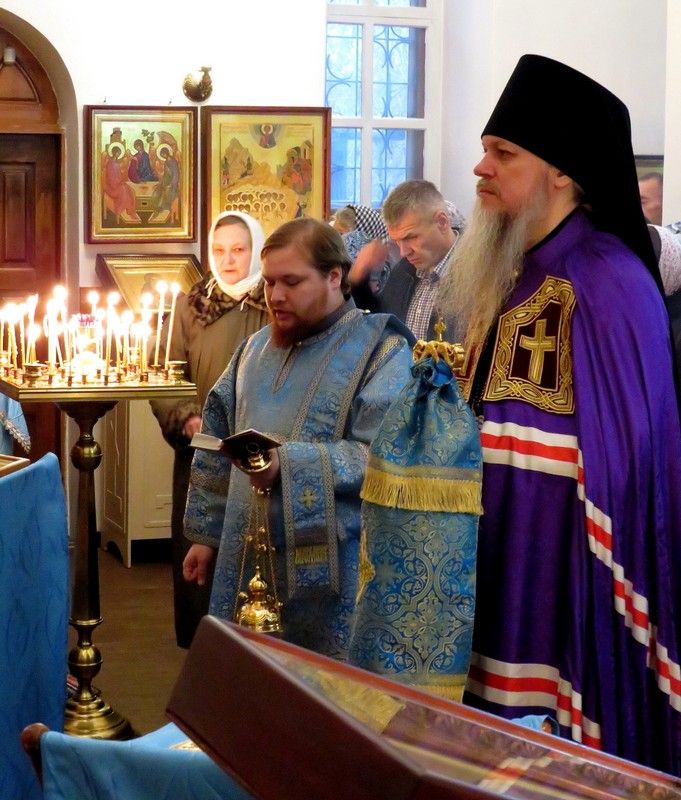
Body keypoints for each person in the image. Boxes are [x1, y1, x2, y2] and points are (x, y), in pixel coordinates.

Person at [437, 54, 681, 774]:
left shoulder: (607, 280)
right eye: (484, 149)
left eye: (503, 153)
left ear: (561, 173)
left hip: (560, 587)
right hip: (486, 568)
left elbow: (629, 472)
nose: (480, 167)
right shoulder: (504, 274)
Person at [182, 217, 414, 660]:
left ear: (334, 277)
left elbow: (385, 456)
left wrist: (287, 464)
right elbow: (215, 439)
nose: (275, 296)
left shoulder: (381, 351)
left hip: (331, 572)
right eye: (270, 282)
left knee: (316, 687)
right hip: (242, 556)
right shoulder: (253, 351)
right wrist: (205, 536)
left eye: (291, 282)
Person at [149, 211, 268, 648]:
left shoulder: (274, 300)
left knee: (255, 558)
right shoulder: (192, 305)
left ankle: (253, 650)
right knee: (200, 553)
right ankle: (203, 650)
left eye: (238, 250)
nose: (228, 260)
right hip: (201, 451)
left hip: (260, 449)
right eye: (219, 250)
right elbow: (163, 373)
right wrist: (186, 417)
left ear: (256, 250)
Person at [350, 180, 462, 340]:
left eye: (411, 237)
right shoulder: (404, 270)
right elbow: (382, 325)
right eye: (397, 241)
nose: (403, 252)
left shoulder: (478, 274)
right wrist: (359, 284)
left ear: (442, 222)